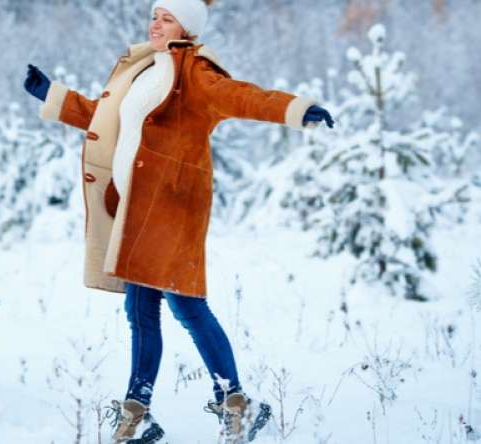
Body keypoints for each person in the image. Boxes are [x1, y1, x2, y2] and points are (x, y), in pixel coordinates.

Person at [24, 0, 334, 442]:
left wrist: (295, 109)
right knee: (140, 311)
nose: (155, 23)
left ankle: (236, 404)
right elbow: (105, 119)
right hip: (136, 208)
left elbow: (241, 96)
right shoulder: (145, 70)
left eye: (167, 17)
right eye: (154, 14)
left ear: (187, 27)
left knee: (186, 305)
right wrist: (54, 96)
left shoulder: (194, 73)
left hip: (170, 206)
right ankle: (139, 413)